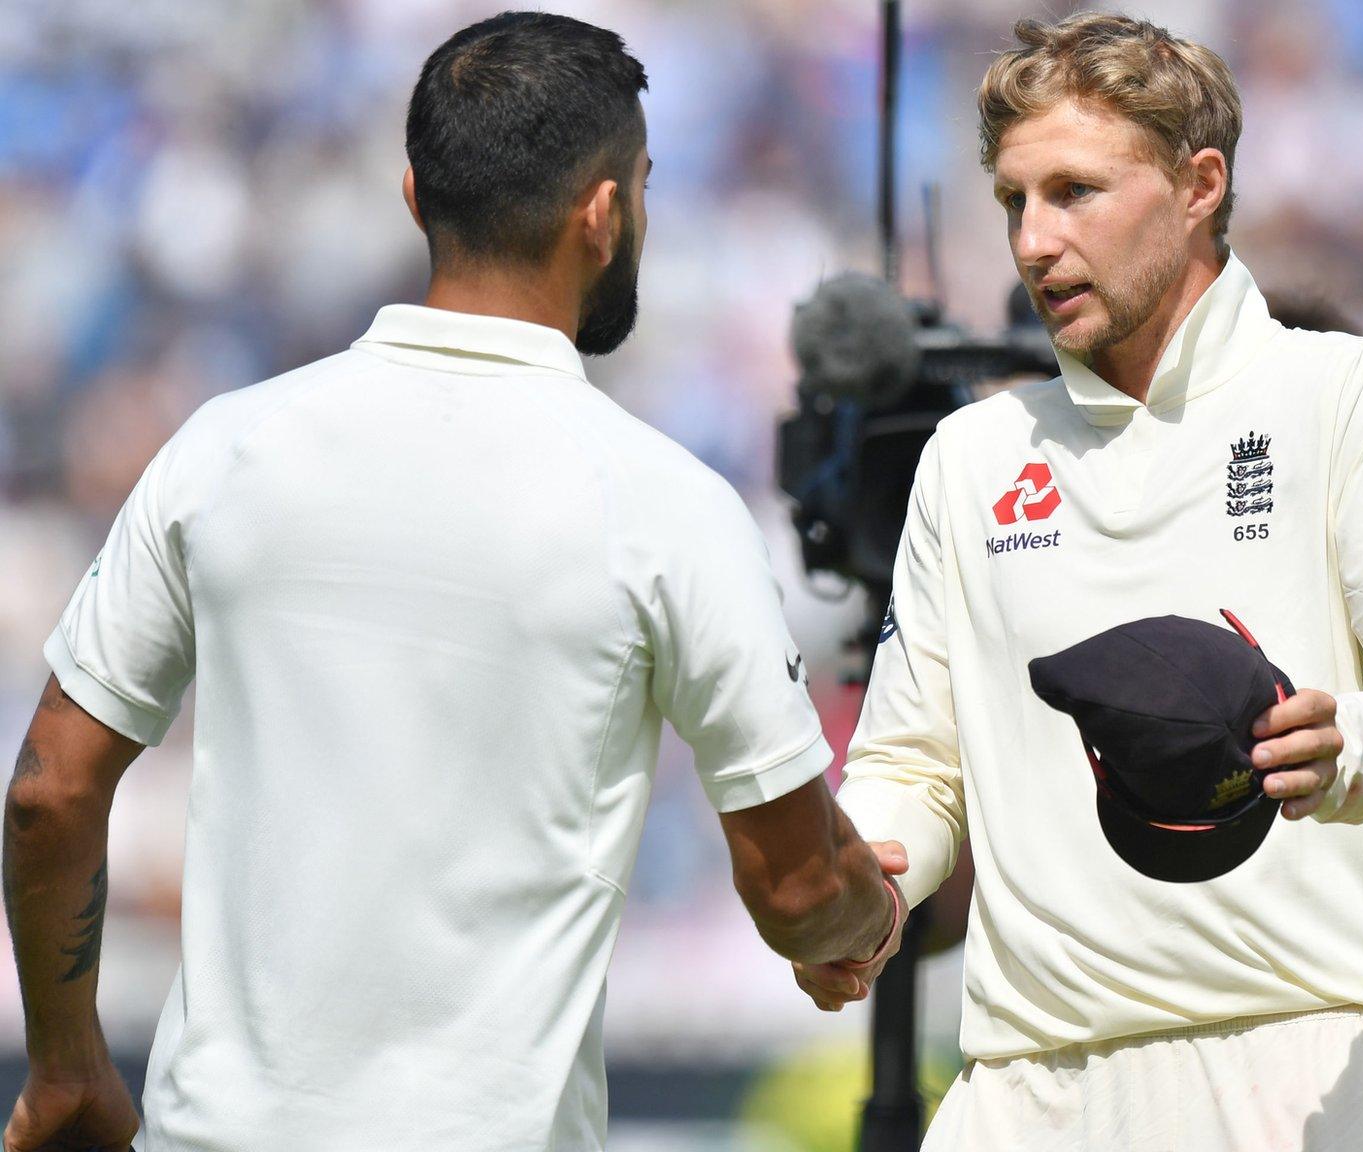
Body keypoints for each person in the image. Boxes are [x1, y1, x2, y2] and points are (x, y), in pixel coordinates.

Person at [1, 13, 902, 1151]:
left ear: (418, 197)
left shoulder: (223, 449)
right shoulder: (665, 503)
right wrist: (864, 915)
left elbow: (48, 794)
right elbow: (798, 894)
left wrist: (71, 1065)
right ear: (606, 213)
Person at [804, 13, 1363, 1151]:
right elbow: (909, 768)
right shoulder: (973, 459)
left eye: (1075, 191)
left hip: (1311, 1068)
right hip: (1026, 1083)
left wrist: (1356, 743)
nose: (1033, 241)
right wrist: (864, 887)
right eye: (1012, 202)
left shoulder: (1343, 392)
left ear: (1198, 185)